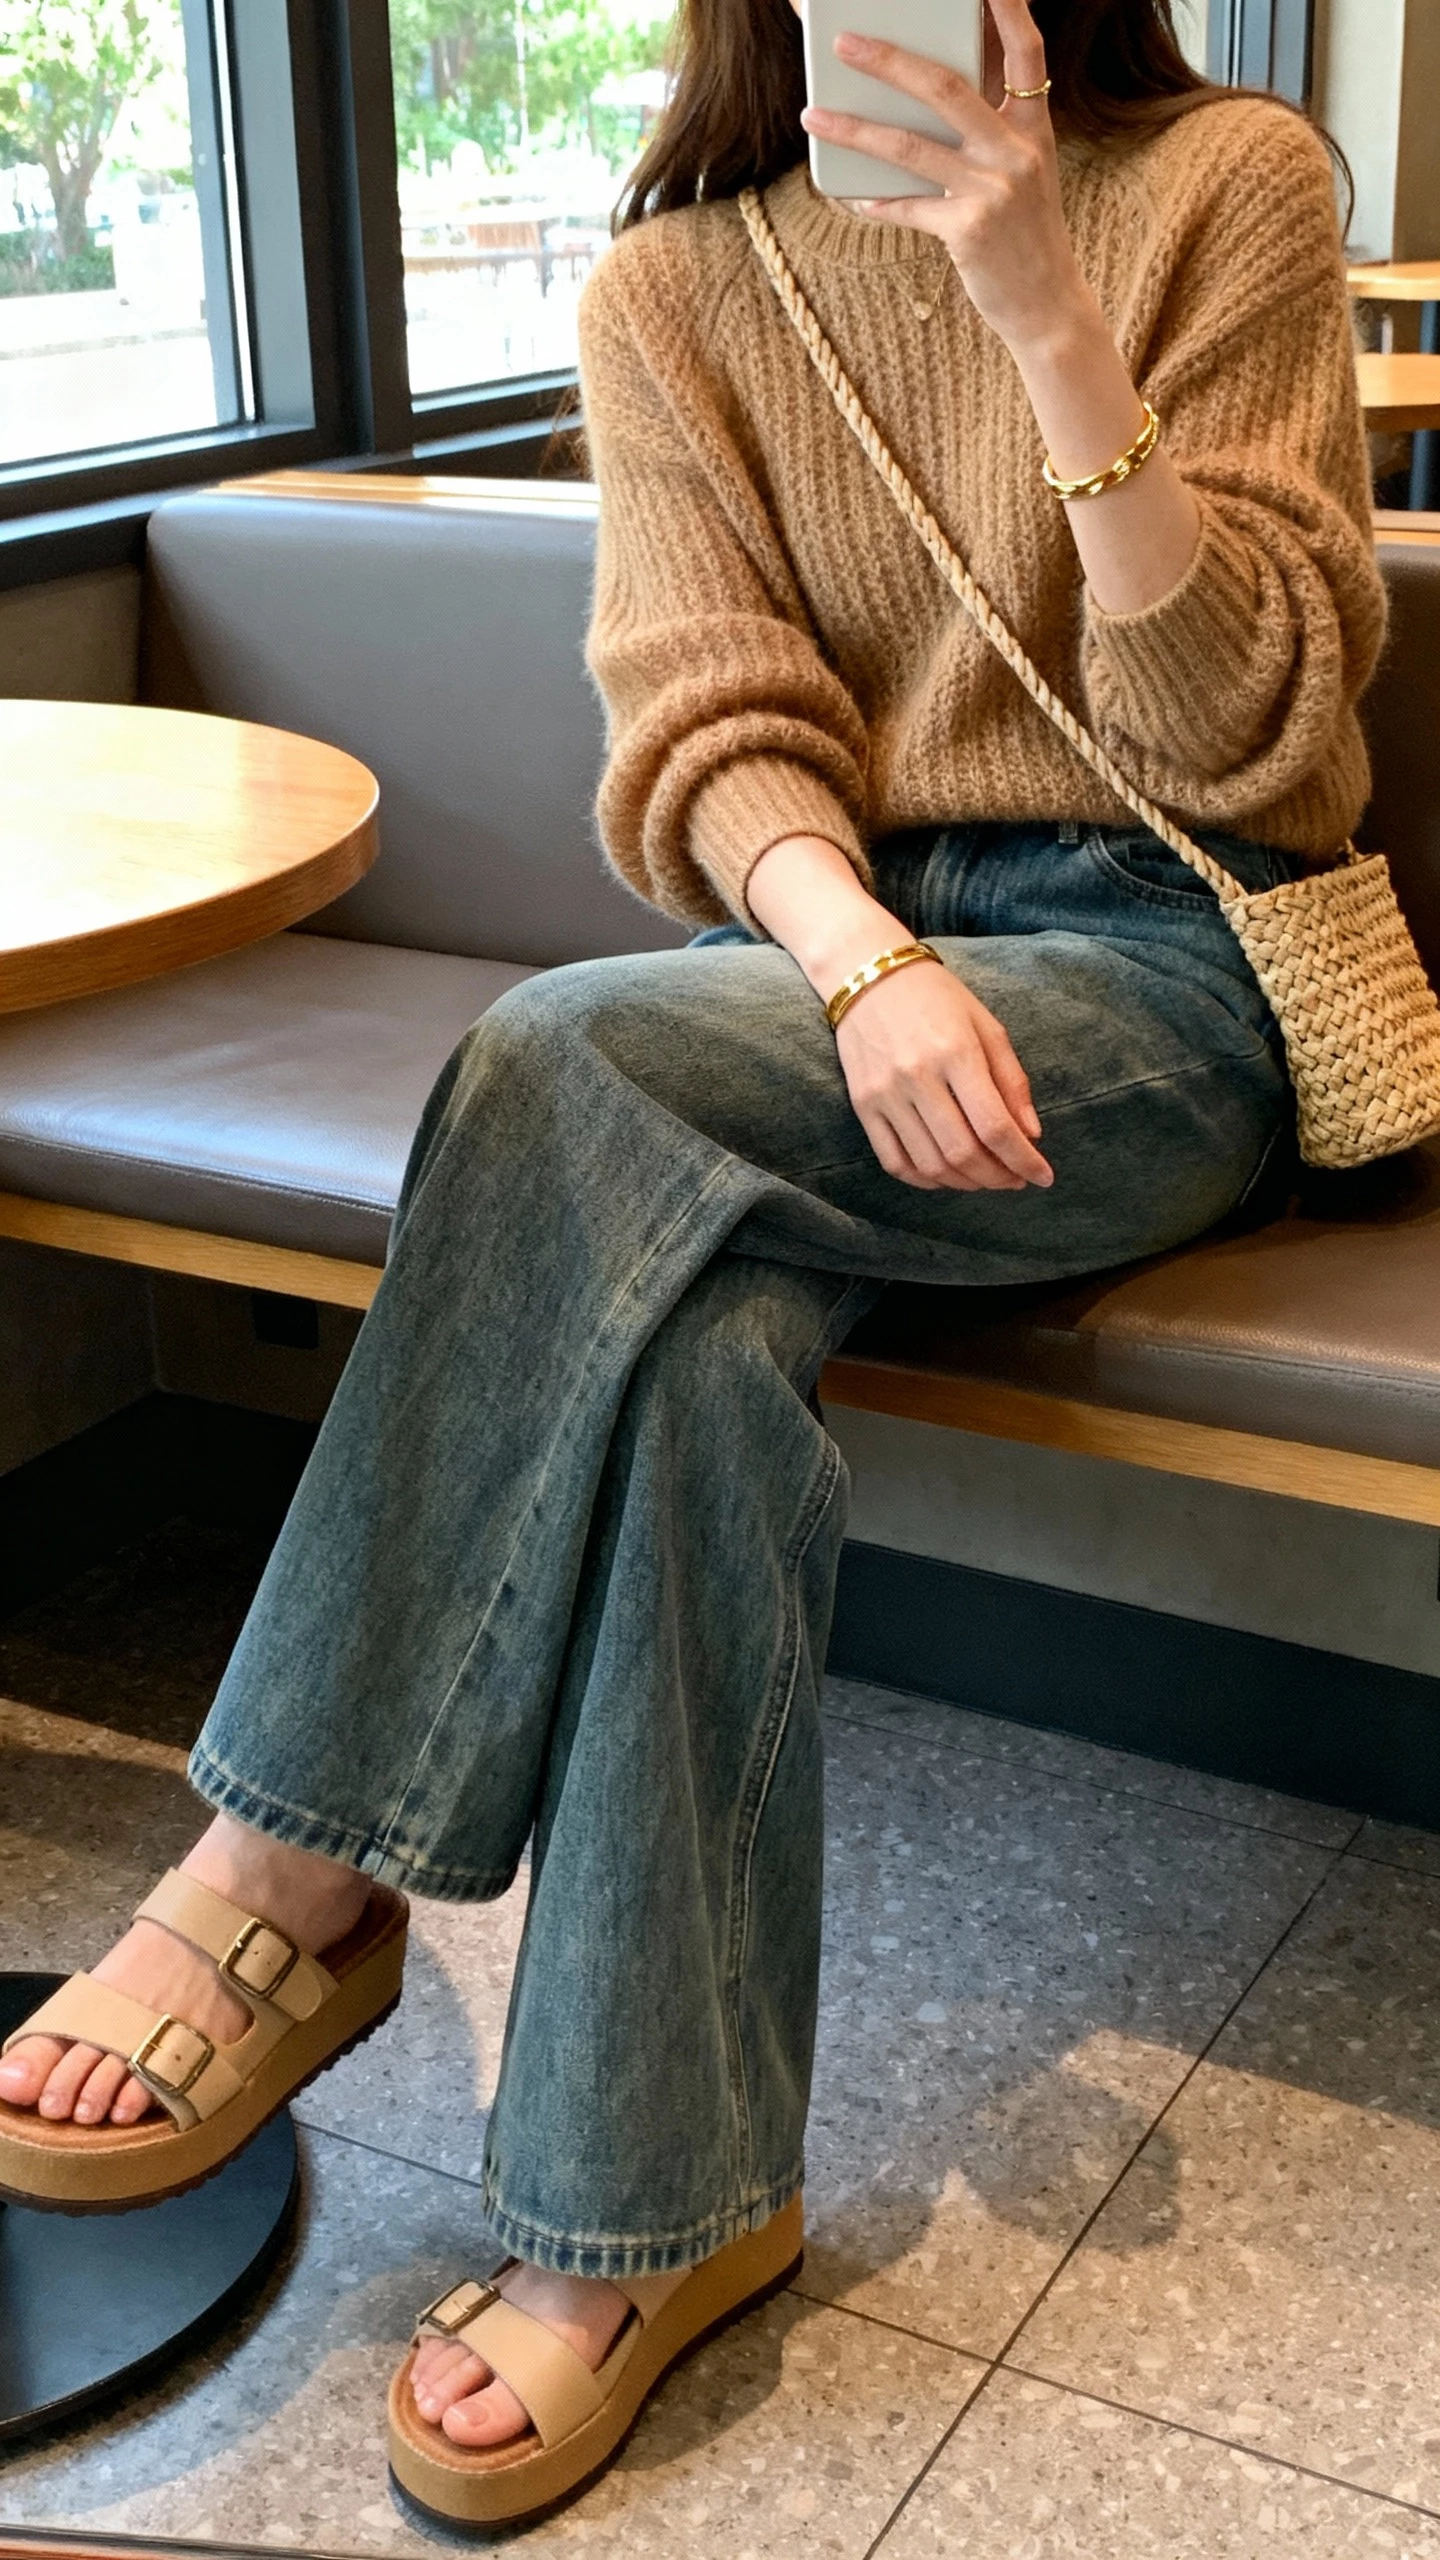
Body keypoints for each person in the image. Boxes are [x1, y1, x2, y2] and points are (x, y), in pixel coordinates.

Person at [0, 0, 1384, 2529]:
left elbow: (1254, 746)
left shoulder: (1232, 186)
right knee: (700, 1349)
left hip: (1168, 973)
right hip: (825, 963)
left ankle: (286, 1871)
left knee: (553, 1066)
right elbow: (711, 725)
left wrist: (1039, 299)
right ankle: (657, 2204)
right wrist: (857, 954)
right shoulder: (671, 290)